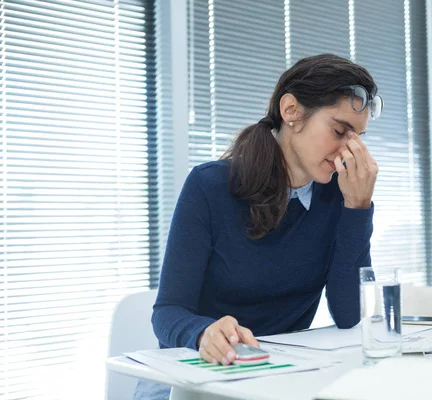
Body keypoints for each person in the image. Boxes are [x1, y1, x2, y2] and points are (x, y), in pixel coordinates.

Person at [134, 53, 383, 399]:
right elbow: (166, 314)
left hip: (276, 380)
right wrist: (205, 333)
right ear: (291, 111)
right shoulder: (210, 186)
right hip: (192, 377)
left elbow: (347, 315)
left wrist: (358, 207)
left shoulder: (338, 194)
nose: (350, 150)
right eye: (340, 131)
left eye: (358, 137)